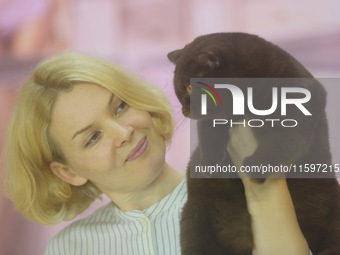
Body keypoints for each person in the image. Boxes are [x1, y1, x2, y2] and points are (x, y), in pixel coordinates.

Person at [3, 51, 311, 255]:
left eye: (120, 106)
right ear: (68, 172)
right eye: (93, 137)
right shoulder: (70, 249)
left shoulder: (253, 194)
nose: (124, 133)